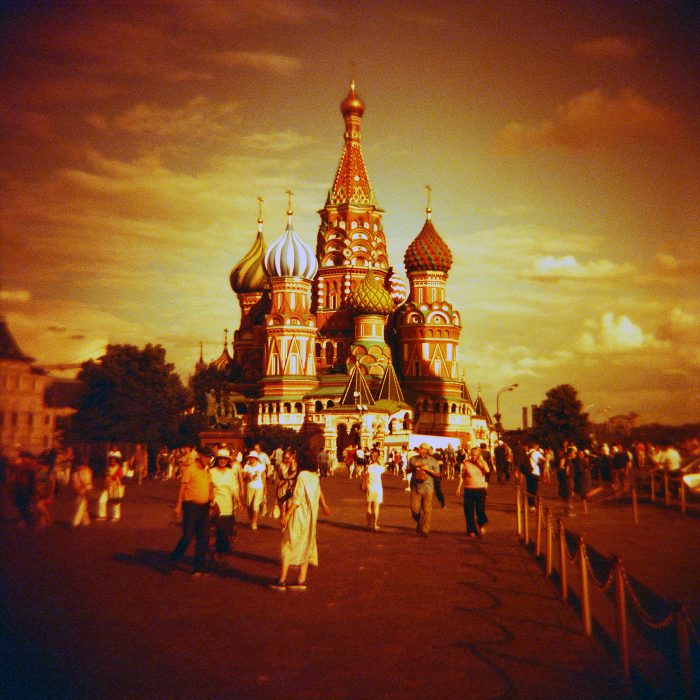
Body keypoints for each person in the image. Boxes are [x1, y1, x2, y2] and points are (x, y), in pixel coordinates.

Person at [269, 454, 330, 591]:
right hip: (311, 517)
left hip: (298, 515)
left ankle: (282, 580)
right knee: (306, 544)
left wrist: (286, 515)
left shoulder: (302, 476)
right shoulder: (315, 476)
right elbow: (318, 492)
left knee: (287, 544)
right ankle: (301, 579)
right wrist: (324, 505)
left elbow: (297, 499)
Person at [170, 446, 214, 576]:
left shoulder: (207, 471)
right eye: (206, 456)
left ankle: (198, 568)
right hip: (191, 507)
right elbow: (182, 488)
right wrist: (178, 506)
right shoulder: (191, 469)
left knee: (203, 537)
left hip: (204, 507)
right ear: (200, 456)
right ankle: (174, 558)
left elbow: (210, 486)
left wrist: (211, 495)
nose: (208, 459)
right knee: (188, 536)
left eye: (210, 457)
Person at [210, 449, 243, 559]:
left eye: (225, 459)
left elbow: (234, 488)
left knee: (226, 532)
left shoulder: (230, 472)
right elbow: (209, 487)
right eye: (220, 459)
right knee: (219, 531)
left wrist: (238, 500)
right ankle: (218, 555)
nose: (222, 461)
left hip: (228, 506)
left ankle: (221, 553)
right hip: (216, 506)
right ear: (217, 460)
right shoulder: (211, 472)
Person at [407, 443, 440, 537]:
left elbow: (438, 474)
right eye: (420, 448)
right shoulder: (413, 459)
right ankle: (420, 521)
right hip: (415, 487)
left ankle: (425, 530)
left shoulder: (433, 461)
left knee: (426, 509)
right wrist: (414, 467)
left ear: (427, 450)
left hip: (428, 487)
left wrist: (428, 470)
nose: (421, 450)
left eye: (424, 448)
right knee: (414, 509)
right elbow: (406, 471)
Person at [456, 446, 489, 537]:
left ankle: (481, 523)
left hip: (480, 488)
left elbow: (488, 470)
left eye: (475, 455)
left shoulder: (482, 463)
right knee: (468, 510)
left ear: (478, 455)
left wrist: (481, 460)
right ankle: (471, 530)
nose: (473, 457)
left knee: (480, 510)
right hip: (468, 489)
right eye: (472, 455)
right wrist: (459, 488)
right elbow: (462, 476)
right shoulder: (466, 464)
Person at [243, 452, 266, 530]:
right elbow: (243, 477)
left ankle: (255, 522)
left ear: (256, 458)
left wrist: (265, 489)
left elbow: (263, 478)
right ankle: (251, 519)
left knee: (256, 504)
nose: (251, 459)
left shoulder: (261, 466)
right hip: (250, 487)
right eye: (250, 457)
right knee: (249, 505)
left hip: (259, 487)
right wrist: (247, 475)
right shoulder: (246, 466)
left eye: (253, 457)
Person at [71, 457, 94, 528]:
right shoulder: (76, 472)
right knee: (80, 505)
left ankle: (75, 522)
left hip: (84, 490)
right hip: (78, 490)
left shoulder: (86, 471)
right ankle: (86, 521)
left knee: (80, 506)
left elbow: (87, 483)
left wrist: (82, 489)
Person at [365, 449, 385, 531]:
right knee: (376, 507)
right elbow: (384, 467)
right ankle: (374, 524)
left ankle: (369, 524)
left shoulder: (368, 467)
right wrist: (380, 460)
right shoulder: (380, 468)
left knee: (369, 506)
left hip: (370, 487)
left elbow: (365, 475)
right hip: (378, 488)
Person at [525, 442, 544, 510]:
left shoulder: (527, 453)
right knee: (534, 489)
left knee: (529, 488)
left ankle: (529, 504)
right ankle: (533, 505)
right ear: (536, 446)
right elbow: (544, 459)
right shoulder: (536, 453)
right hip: (535, 472)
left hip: (528, 472)